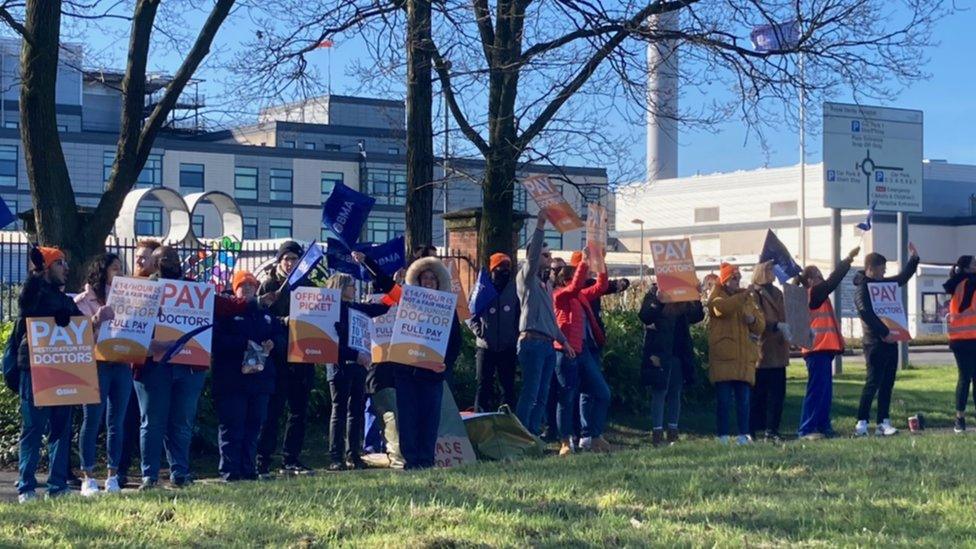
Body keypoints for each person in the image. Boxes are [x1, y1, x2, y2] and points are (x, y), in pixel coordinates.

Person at [132, 245, 210, 490]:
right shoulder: (143, 290)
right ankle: (150, 476)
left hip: (188, 367)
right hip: (154, 366)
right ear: (154, 264)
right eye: (164, 258)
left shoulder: (195, 289)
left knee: (182, 422)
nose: (171, 262)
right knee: (152, 423)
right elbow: (128, 326)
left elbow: (218, 312)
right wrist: (150, 343)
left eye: (174, 258)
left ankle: (180, 472)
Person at [15, 247, 85, 503]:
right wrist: (37, 273)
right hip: (34, 369)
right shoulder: (33, 293)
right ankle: (26, 487)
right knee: (33, 429)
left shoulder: (64, 298)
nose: (66, 268)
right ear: (45, 268)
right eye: (59, 263)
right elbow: (28, 307)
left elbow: (80, 326)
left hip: (64, 370)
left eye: (65, 263)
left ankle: (57, 486)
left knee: (61, 429)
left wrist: (95, 320)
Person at [326, 252, 398, 471]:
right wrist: (354, 355)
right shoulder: (330, 311)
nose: (353, 289)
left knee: (355, 411)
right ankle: (335, 456)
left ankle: (354, 454)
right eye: (349, 286)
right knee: (339, 411)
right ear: (340, 287)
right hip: (339, 366)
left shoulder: (357, 308)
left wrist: (373, 269)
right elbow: (330, 342)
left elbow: (388, 302)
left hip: (359, 366)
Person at [393, 256, 462, 469]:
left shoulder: (447, 307)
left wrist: (446, 364)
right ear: (418, 279)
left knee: (430, 419)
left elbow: (455, 341)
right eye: (425, 277)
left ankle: (426, 459)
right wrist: (396, 283)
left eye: (433, 278)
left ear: (439, 281)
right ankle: (411, 460)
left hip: (433, 372)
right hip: (407, 372)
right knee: (407, 418)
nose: (429, 281)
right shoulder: (406, 302)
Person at [211, 271, 279, 482]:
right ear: (235, 287)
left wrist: (273, 343)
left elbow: (280, 335)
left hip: (260, 381)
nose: (248, 288)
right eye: (243, 285)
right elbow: (217, 341)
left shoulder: (266, 313)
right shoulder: (225, 310)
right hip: (232, 380)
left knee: (253, 427)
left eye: (252, 285)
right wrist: (244, 344)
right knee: (233, 427)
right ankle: (230, 472)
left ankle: (249, 470)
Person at [256, 241, 317, 476]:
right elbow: (261, 317)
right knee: (273, 410)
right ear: (279, 261)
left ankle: (291, 458)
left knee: (298, 410)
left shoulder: (308, 286)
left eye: (295, 259)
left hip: (304, 355)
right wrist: (283, 321)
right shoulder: (269, 285)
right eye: (286, 259)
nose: (290, 263)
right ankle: (263, 458)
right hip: (278, 356)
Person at [74, 253, 130, 496]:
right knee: (92, 420)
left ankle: (112, 475)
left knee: (116, 421)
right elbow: (74, 336)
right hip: (95, 364)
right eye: (113, 268)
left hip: (122, 361)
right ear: (102, 271)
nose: (118, 272)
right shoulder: (84, 300)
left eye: (120, 268)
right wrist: (96, 320)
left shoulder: (129, 297)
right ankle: (88, 475)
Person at [853, 246, 919, 437]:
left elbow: (901, 279)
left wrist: (914, 260)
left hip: (891, 341)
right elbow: (865, 312)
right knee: (872, 382)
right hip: (874, 342)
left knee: (888, 383)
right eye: (882, 269)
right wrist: (883, 332)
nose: (884, 273)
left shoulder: (882, 285)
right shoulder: (863, 287)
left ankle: (883, 422)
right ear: (871, 269)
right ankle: (862, 422)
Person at [515, 216, 573, 436]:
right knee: (530, 392)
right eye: (545, 255)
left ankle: (532, 434)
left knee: (542, 394)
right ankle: (520, 435)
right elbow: (531, 258)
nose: (549, 259)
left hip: (548, 344)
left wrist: (563, 342)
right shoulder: (526, 279)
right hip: (531, 342)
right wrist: (540, 227)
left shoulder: (546, 285)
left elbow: (550, 321)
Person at [795, 247, 859, 439]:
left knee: (824, 392)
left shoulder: (816, 295)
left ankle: (823, 425)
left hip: (823, 349)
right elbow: (833, 281)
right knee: (816, 391)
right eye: (818, 275)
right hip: (816, 349)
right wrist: (847, 260)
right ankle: (806, 429)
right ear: (810, 281)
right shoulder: (812, 294)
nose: (822, 278)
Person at [552, 249, 610, 455]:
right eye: (578, 275)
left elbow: (601, 286)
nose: (584, 279)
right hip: (565, 352)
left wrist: (600, 261)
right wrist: (585, 261)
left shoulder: (579, 297)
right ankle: (565, 441)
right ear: (566, 280)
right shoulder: (560, 296)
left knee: (602, 392)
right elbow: (576, 285)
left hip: (582, 351)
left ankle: (594, 436)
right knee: (566, 399)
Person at [116, 238, 162, 488]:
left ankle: (148, 472)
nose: (140, 260)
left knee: (146, 420)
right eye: (138, 255)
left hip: (148, 364)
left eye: (146, 257)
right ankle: (119, 470)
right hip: (123, 363)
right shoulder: (124, 286)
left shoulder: (163, 288)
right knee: (124, 419)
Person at [639, 283, 704, 446]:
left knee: (675, 390)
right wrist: (659, 301)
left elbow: (697, 316)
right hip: (659, 350)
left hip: (678, 350)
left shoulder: (683, 294)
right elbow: (645, 315)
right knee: (660, 390)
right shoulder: (654, 292)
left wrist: (696, 298)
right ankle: (657, 432)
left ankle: (673, 432)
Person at [707, 263, 764, 445]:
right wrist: (742, 296)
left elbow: (761, 324)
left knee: (744, 401)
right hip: (724, 357)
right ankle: (722, 435)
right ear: (725, 280)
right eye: (733, 278)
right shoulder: (716, 296)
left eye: (738, 278)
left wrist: (753, 319)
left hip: (744, 357)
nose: (737, 281)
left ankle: (743, 434)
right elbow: (721, 309)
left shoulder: (746, 299)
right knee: (723, 401)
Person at [467, 252, 520, 413]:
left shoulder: (514, 289)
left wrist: (515, 334)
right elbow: (469, 312)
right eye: (500, 267)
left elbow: (520, 313)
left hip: (507, 346)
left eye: (507, 267)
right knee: (483, 385)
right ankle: (480, 416)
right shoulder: (482, 288)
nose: (504, 270)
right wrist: (478, 331)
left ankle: (507, 419)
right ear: (492, 269)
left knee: (508, 386)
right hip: (485, 346)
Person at [748, 261, 791, 442]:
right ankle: (752, 429)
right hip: (762, 348)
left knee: (777, 393)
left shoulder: (778, 292)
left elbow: (786, 313)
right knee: (758, 393)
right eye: (769, 269)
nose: (773, 273)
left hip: (779, 348)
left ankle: (772, 429)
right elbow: (756, 318)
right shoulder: (754, 292)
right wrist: (775, 325)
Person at [944, 255, 976, 433]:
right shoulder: (971, 283)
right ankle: (959, 420)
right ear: (967, 268)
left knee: (964, 378)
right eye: (975, 264)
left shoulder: (956, 283)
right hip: (971, 338)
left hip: (958, 340)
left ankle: (960, 420)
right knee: (969, 379)